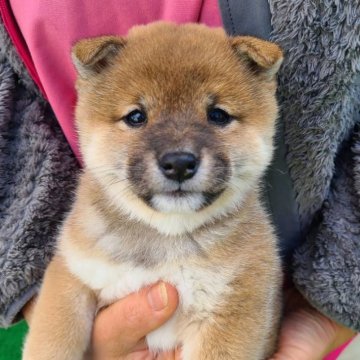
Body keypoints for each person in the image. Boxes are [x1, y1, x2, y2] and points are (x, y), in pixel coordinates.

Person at [0, 0, 359, 359]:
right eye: (136, 117)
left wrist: (325, 312)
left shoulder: (245, 255)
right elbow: (68, 282)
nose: (178, 155)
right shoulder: (82, 234)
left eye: (218, 116)